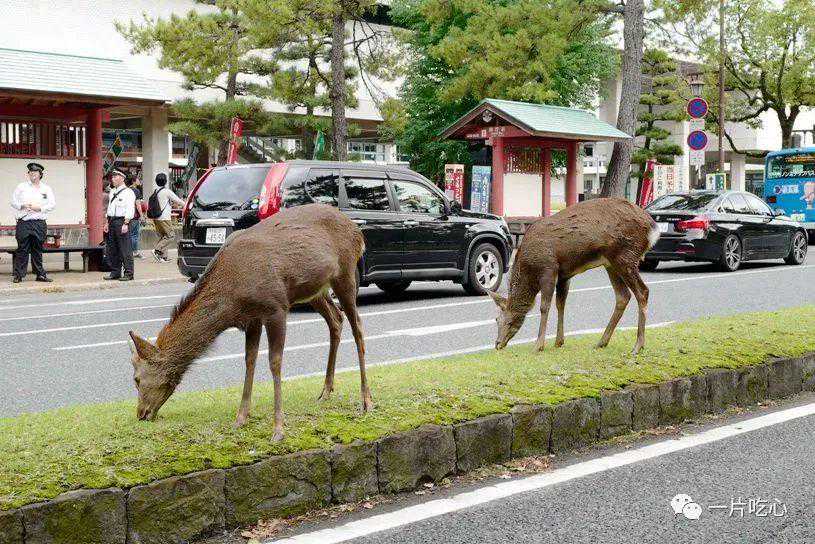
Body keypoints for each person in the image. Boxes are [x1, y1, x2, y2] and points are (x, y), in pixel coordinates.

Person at [10, 163, 55, 283]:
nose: (32, 174)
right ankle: (19, 275)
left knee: (37, 249)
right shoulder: (21, 187)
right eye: (30, 172)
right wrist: (22, 205)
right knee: (22, 249)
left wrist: (39, 208)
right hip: (24, 221)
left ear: (40, 174)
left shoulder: (46, 189)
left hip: (39, 222)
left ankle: (40, 274)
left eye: (35, 172)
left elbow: (52, 205)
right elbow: (13, 201)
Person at [104, 169, 136, 281]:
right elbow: (110, 209)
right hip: (112, 221)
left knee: (125, 248)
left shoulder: (128, 192)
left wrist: (126, 223)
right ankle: (115, 271)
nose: (112, 179)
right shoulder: (112, 192)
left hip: (122, 221)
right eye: (112, 177)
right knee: (113, 248)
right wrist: (107, 222)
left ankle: (129, 273)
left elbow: (130, 209)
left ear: (122, 178)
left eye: (115, 176)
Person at [149, 172, 186, 262]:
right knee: (170, 236)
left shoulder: (155, 191)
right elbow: (179, 201)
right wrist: (187, 205)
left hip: (156, 218)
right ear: (165, 181)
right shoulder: (166, 191)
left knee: (163, 236)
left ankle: (163, 257)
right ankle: (157, 250)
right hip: (164, 218)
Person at [126, 176, 145, 259]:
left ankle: (128, 251)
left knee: (128, 234)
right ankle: (135, 252)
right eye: (138, 180)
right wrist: (141, 215)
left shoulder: (126, 190)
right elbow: (138, 204)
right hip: (134, 216)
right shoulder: (136, 191)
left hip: (127, 216)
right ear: (134, 181)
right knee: (134, 235)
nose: (139, 181)